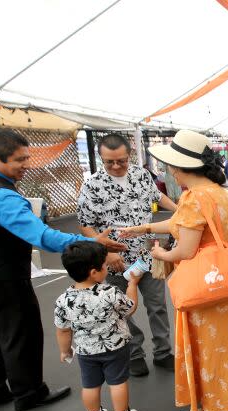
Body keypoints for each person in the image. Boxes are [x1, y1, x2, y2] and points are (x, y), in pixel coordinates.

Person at [0, 129, 126, 411]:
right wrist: (93, 241)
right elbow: (42, 237)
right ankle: (29, 393)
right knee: (21, 333)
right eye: (19, 160)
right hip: (0, 278)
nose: (26, 165)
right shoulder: (0, 196)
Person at [119, 129, 228, 411]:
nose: (169, 172)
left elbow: (185, 250)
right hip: (226, 281)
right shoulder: (219, 192)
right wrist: (145, 228)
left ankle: (212, 406)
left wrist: (160, 255)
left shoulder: (192, 198)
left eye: (171, 167)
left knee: (210, 347)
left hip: (205, 285)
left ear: (179, 168)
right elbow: (183, 224)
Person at [78, 134, 179, 377]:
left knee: (158, 305)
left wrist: (181, 211)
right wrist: (105, 253)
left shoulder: (142, 175)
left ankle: (163, 352)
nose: (115, 166)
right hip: (115, 260)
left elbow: (158, 197)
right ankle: (134, 353)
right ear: (101, 158)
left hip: (149, 253)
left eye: (120, 161)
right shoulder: (91, 185)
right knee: (122, 310)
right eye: (108, 162)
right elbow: (85, 225)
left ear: (129, 155)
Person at [55, 242, 141, 411]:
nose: (106, 267)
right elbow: (130, 307)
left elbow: (63, 330)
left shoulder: (63, 300)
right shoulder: (109, 293)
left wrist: (65, 350)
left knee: (90, 385)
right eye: (104, 265)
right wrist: (132, 284)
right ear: (94, 272)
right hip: (115, 347)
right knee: (117, 382)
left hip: (86, 351)